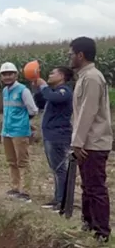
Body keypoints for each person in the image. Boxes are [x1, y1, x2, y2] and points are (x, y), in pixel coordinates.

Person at [69, 37, 113, 243]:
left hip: (93, 142)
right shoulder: (85, 77)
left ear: (81, 55)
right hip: (87, 142)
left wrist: (77, 142)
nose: (69, 58)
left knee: (95, 188)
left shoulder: (93, 78)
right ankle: (88, 223)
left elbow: (88, 112)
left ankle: (101, 231)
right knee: (87, 186)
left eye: (71, 54)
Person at [32, 66, 74, 210]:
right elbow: (41, 103)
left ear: (61, 76)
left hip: (59, 135)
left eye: (52, 73)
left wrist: (43, 86)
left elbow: (52, 98)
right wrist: (38, 90)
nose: (49, 75)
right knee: (56, 168)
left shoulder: (64, 92)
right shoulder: (53, 92)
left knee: (60, 168)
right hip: (50, 134)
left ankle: (62, 201)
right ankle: (58, 198)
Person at [0, 62, 39, 203]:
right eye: (4, 74)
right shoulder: (5, 91)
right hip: (7, 131)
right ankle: (15, 188)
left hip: (19, 132)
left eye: (10, 74)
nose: (7, 77)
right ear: (1, 77)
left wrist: (24, 122)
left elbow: (33, 110)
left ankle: (26, 192)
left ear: (16, 75)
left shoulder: (23, 90)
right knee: (11, 162)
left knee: (23, 162)